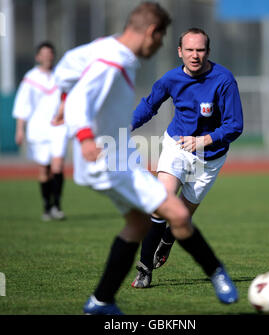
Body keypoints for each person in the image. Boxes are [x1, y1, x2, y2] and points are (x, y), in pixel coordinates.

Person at [56, 3, 238, 315]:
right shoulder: (115, 62)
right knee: (175, 213)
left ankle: (100, 301)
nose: (159, 47)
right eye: (161, 39)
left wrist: (60, 95)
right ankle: (216, 274)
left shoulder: (105, 46)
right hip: (110, 157)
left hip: (182, 156)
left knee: (140, 223)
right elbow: (80, 101)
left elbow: (67, 68)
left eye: (200, 49)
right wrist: (84, 135)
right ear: (153, 33)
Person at [131, 28, 244, 295]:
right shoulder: (170, 78)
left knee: (182, 216)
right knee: (162, 201)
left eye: (201, 50)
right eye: (190, 50)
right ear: (180, 52)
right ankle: (145, 268)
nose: (195, 55)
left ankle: (168, 239)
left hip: (210, 158)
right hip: (177, 146)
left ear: (208, 52)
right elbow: (149, 106)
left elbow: (235, 125)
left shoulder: (224, 79)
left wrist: (204, 140)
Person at [12, 42, 68, 221]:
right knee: (44, 169)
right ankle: (47, 207)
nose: (48, 56)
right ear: (38, 57)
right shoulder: (31, 78)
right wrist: (20, 129)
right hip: (38, 128)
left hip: (59, 126)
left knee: (58, 165)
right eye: (44, 53)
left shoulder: (61, 75)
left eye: (50, 53)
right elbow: (22, 105)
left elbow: (69, 97)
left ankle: (57, 207)